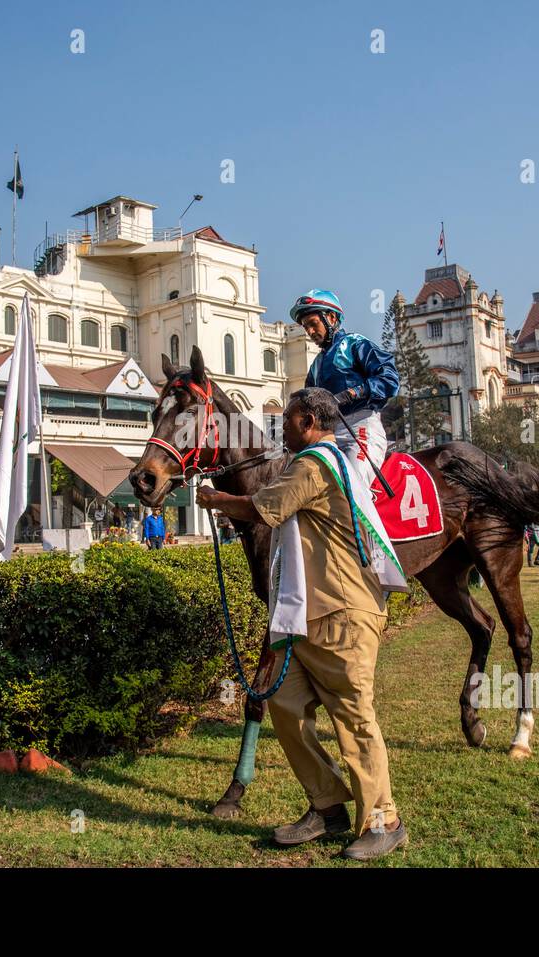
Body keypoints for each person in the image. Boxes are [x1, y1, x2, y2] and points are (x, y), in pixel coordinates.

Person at [195, 387, 407, 861]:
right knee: (285, 706)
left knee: (354, 719)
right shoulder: (323, 462)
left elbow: (262, 508)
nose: (281, 430)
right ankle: (328, 804)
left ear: (308, 422)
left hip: (341, 614)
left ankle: (384, 821)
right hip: (307, 617)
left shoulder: (313, 465)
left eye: (287, 421)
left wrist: (215, 499)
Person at [291, 289, 400, 491]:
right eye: (306, 328)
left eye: (313, 324)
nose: (311, 332)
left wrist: (352, 393)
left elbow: (390, 378)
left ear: (331, 317)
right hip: (328, 435)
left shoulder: (354, 344)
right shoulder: (315, 366)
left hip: (361, 428)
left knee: (351, 488)